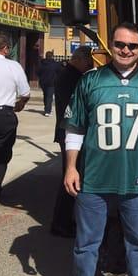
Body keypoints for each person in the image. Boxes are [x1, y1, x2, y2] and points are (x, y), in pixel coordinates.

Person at [64, 22, 138, 276]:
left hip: (136, 179)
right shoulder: (90, 80)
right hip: (94, 177)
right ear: (110, 46)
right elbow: (75, 128)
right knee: (86, 245)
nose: (126, 50)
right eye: (120, 44)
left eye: (132, 45)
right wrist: (71, 167)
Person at [50, 46, 93, 238]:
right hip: (69, 131)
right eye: (88, 62)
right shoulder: (72, 77)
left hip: (66, 131)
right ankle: (61, 223)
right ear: (79, 59)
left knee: (71, 178)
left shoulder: (67, 74)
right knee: (71, 177)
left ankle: (64, 221)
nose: (89, 66)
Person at [0, 34, 30, 200]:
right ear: (5, 49)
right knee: (2, 155)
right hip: (4, 115)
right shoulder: (13, 66)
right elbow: (25, 93)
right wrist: (20, 104)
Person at [37, 51, 62, 116]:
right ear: (52, 56)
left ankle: (46, 108)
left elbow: (38, 72)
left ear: (46, 56)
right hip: (52, 82)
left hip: (43, 82)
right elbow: (60, 72)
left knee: (45, 95)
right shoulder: (55, 64)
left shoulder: (41, 64)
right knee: (49, 97)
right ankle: (47, 111)